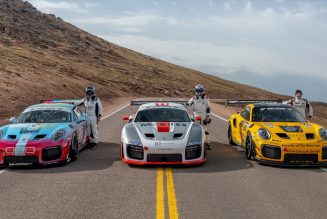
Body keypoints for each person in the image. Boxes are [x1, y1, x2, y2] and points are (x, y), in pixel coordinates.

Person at [75, 85, 103, 150]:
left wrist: (99, 116)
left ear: (93, 92)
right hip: (87, 116)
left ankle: (95, 142)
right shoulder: (85, 99)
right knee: (88, 130)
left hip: (94, 116)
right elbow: (78, 103)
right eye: (88, 92)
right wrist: (70, 103)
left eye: (90, 92)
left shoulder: (97, 99)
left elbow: (100, 108)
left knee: (94, 130)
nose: (89, 93)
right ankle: (90, 141)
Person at [188, 84, 211, 150]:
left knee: (206, 130)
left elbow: (208, 108)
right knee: (195, 130)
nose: (199, 92)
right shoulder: (193, 98)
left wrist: (207, 117)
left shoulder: (206, 98)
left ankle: (207, 143)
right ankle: (194, 142)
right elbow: (188, 104)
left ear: (203, 91)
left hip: (204, 115)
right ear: (195, 91)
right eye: (197, 90)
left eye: (200, 90)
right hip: (196, 115)